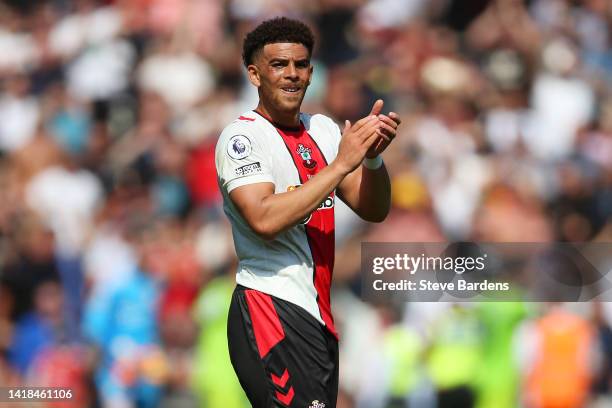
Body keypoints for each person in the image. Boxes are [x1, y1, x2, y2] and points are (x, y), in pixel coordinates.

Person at [215, 17, 400, 407]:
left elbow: (375, 209)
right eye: (279, 65)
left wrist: (370, 161)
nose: (291, 74)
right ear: (255, 74)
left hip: (316, 316)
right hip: (269, 306)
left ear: (312, 73)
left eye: (300, 65)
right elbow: (262, 219)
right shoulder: (243, 137)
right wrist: (339, 166)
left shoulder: (325, 131)